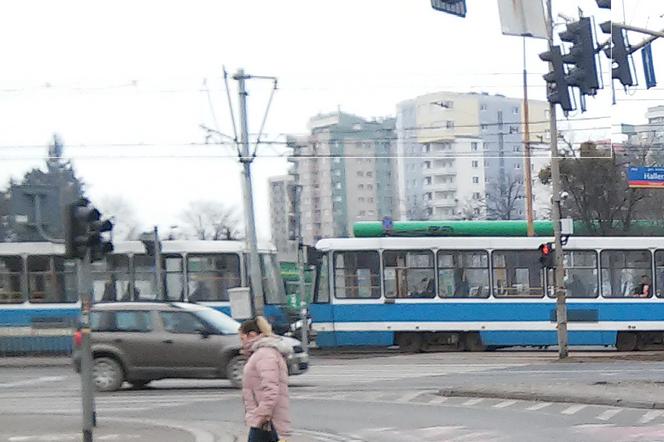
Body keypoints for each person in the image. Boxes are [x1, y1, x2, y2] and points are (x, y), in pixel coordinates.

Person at [239, 316, 292, 441]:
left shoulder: (265, 354)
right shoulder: (261, 353)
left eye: (242, 338)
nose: (241, 342)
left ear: (251, 335)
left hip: (266, 419)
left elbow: (271, 388)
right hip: (265, 418)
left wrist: (262, 413)